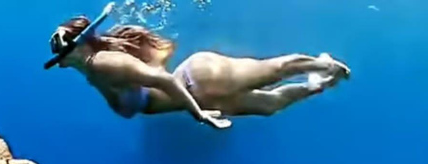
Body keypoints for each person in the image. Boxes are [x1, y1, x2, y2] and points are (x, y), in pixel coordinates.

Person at [46, 2, 350, 129]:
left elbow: (161, 81)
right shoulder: (93, 68)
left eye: (60, 50)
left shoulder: (101, 64)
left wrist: (199, 115)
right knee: (271, 105)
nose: (58, 61)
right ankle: (318, 81)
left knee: (270, 72)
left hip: (200, 82)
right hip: (202, 91)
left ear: (77, 44)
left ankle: (320, 64)